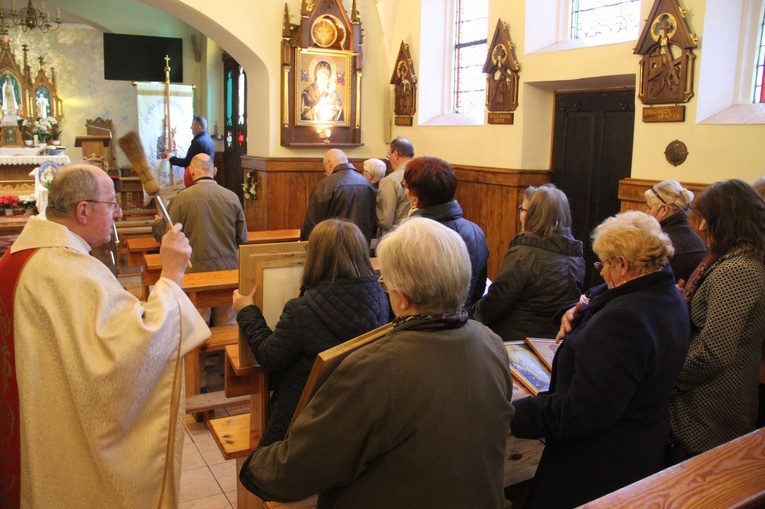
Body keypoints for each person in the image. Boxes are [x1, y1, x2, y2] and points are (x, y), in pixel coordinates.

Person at [238, 218, 515, 508]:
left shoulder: (372, 368)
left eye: (387, 284)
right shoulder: (491, 343)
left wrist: (255, 468)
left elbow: (297, 469)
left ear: (404, 299)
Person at [0, 164, 210, 508]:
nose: (119, 211)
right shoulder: (68, 272)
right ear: (83, 210)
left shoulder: (20, 257)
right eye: (111, 203)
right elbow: (131, 348)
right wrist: (172, 274)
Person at [512, 210, 690, 508]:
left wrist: (515, 415)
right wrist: (577, 309)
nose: (602, 272)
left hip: (597, 466)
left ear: (622, 264)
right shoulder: (668, 294)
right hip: (640, 447)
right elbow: (602, 295)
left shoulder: (623, 321)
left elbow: (583, 412)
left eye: (604, 264)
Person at [233, 219, 389, 446]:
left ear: (315, 257)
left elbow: (269, 357)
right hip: (359, 417)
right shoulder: (382, 297)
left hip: (305, 421)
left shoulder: (303, 310)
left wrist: (248, 311)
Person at [668, 179, 765, 461]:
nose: (701, 227)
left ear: (730, 222)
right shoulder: (733, 260)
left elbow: (713, 353)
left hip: (706, 414)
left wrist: (665, 378)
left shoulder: (737, 270)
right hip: (706, 407)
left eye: (709, 219)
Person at [473, 184, 585, 341]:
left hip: (515, 342)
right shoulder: (577, 258)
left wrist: (472, 314)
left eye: (523, 210)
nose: (521, 215)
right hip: (554, 342)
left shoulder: (523, 256)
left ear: (533, 215)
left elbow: (493, 306)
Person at [153, 153, 247, 326]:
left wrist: (158, 223)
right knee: (227, 324)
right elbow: (242, 238)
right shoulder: (232, 197)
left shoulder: (181, 199)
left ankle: (199, 352)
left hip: (194, 273)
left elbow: (168, 237)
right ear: (215, 170)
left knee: (197, 325)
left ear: (190, 171)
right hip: (228, 272)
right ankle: (225, 353)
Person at [404, 156, 489, 310]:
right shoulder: (476, 232)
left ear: (415, 200)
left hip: (422, 325)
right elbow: (478, 289)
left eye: (406, 186)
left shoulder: (409, 236)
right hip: (464, 320)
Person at [300, 148, 376, 246]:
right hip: (361, 244)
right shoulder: (367, 183)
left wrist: (304, 243)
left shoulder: (326, 185)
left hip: (334, 246)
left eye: (325, 168)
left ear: (329, 164)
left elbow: (312, 222)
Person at [644, 180, 706, 282]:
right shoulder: (699, 243)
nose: (646, 213)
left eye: (649, 208)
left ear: (664, 209)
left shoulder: (657, 246)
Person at [376, 137, 414, 236]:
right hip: (421, 234)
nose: (389, 159)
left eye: (389, 155)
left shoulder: (390, 181)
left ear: (395, 154)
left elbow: (385, 220)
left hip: (397, 237)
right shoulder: (425, 174)